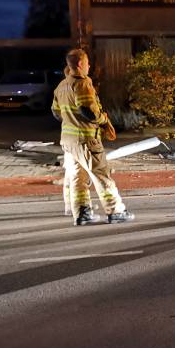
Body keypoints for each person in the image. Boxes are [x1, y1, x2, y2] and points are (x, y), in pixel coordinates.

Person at [52, 49, 134, 226]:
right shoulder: (82, 84)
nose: (89, 66)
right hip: (86, 140)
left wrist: (71, 120)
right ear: (80, 64)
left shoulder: (61, 86)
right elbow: (87, 110)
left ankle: (82, 213)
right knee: (100, 175)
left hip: (68, 142)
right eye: (87, 63)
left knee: (77, 178)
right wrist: (103, 120)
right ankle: (116, 210)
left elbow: (56, 113)